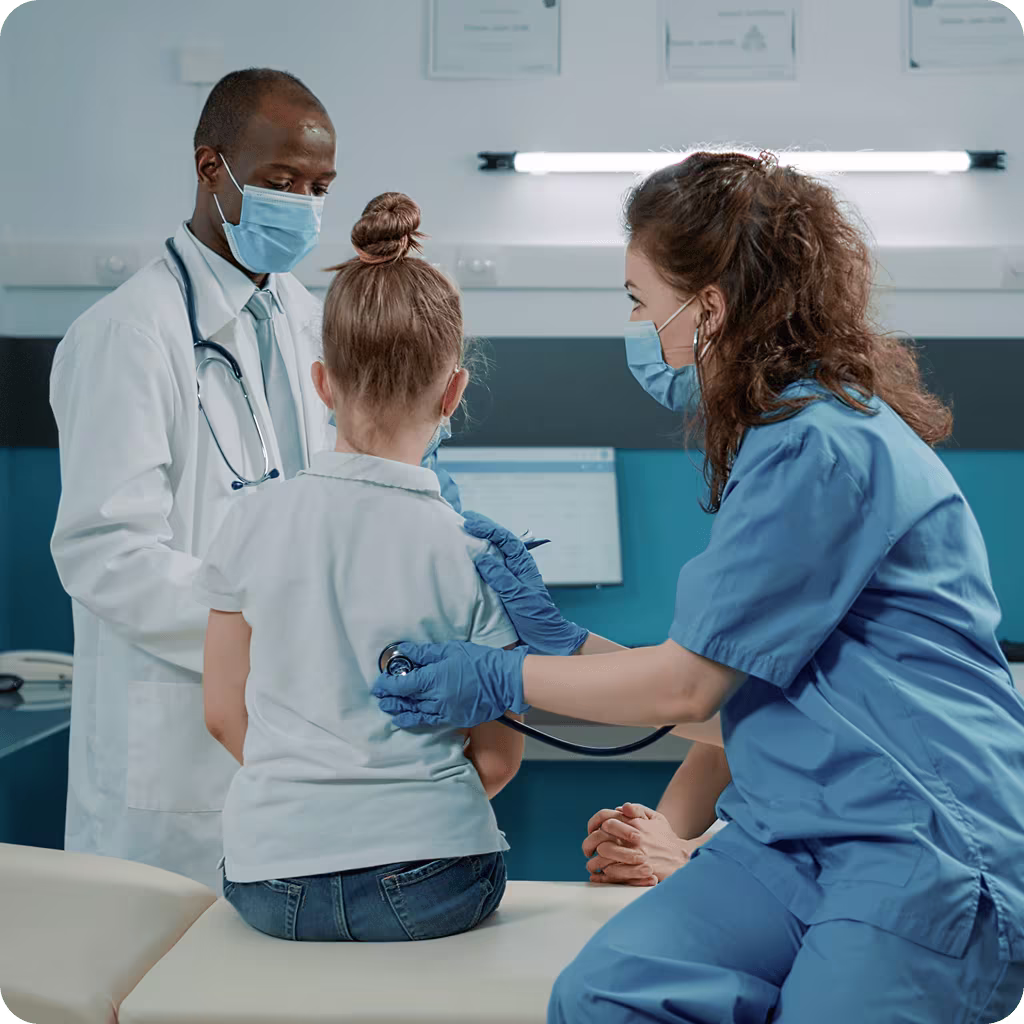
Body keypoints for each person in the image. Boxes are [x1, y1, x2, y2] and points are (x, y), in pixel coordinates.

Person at [373, 151, 1024, 1021]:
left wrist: (499, 676)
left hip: (920, 845)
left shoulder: (820, 446)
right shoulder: (782, 439)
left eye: (640, 301)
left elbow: (686, 687)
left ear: (708, 310)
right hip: (791, 839)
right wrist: (567, 643)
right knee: (601, 995)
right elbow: (743, 698)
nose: (637, 326)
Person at [192, 192, 521, 942]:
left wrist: (310, 800)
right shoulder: (475, 551)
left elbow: (221, 713)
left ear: (322, 384)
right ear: (454, 392)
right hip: (435, 880)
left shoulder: (250, 521)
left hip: (270, 880)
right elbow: (498, 760)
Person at [49, 68, 338, 888]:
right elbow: (107, 553)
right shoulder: (128, 335)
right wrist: (265, 625)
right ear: (212, 167)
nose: (304, 204)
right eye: (282, 181)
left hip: (294, 723)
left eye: (319, 187)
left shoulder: (309, 319)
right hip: (174, 748)